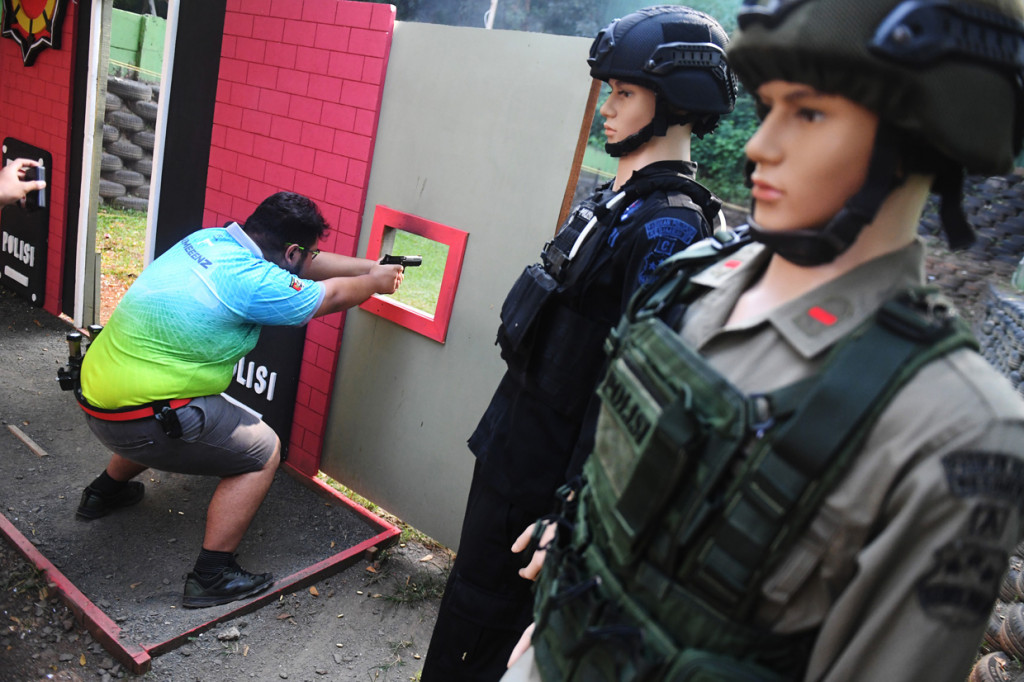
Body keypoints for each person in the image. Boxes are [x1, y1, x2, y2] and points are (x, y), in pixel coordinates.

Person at [503, 0, 1024, 680]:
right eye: (769, 107)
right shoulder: (698, 275)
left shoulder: (961, 430)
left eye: (808, 113)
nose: (758, 146)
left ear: (919, 134)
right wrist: (557, 623)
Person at [421, 6, 737, 680]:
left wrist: (573, 510)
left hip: (550, 485)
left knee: (495, 630)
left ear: (677, 101)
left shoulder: (669, 229)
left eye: (623, 93)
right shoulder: (619, 196)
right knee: (467, 611)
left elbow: (642, 392)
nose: (606, 110)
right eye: (608, 92)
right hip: (513, 447)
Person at [73, 191, 405, 609]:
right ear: (289, 250)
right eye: (307, 253)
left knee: (171, 405)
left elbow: (307, 262)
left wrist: (372, 267)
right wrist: (374, 284)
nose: (312, 259)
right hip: (143, 422)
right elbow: (334, 294)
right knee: (264, 451)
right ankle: (211, 575)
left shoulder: (211, 239)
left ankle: (103, 493)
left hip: (100, 398)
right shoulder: (255, 283)